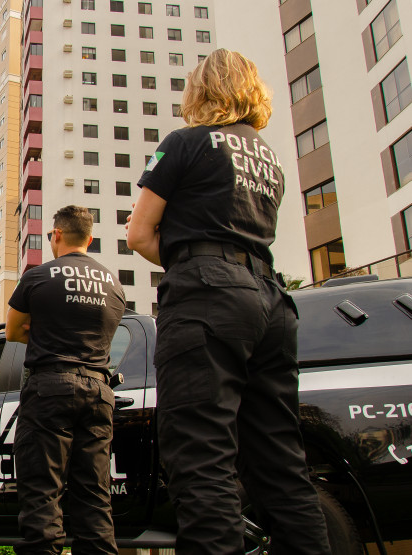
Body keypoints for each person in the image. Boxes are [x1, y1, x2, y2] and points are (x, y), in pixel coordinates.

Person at [126, 49, 330, 554]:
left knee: (201, 455)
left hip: (208, 296)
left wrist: (187, 259)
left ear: (201, 90)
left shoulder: (186, 142)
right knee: (280, 461)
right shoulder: (270, 159)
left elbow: (139, 233)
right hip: (272, 301)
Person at [5, 205, 126, 555]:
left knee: (42, 491)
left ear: (57, 234)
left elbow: (13, 331)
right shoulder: (114, 284)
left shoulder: (38, 277)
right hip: (99, 391)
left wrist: (46, 331)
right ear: (90, 238)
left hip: (50, 389)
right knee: (95, 494)